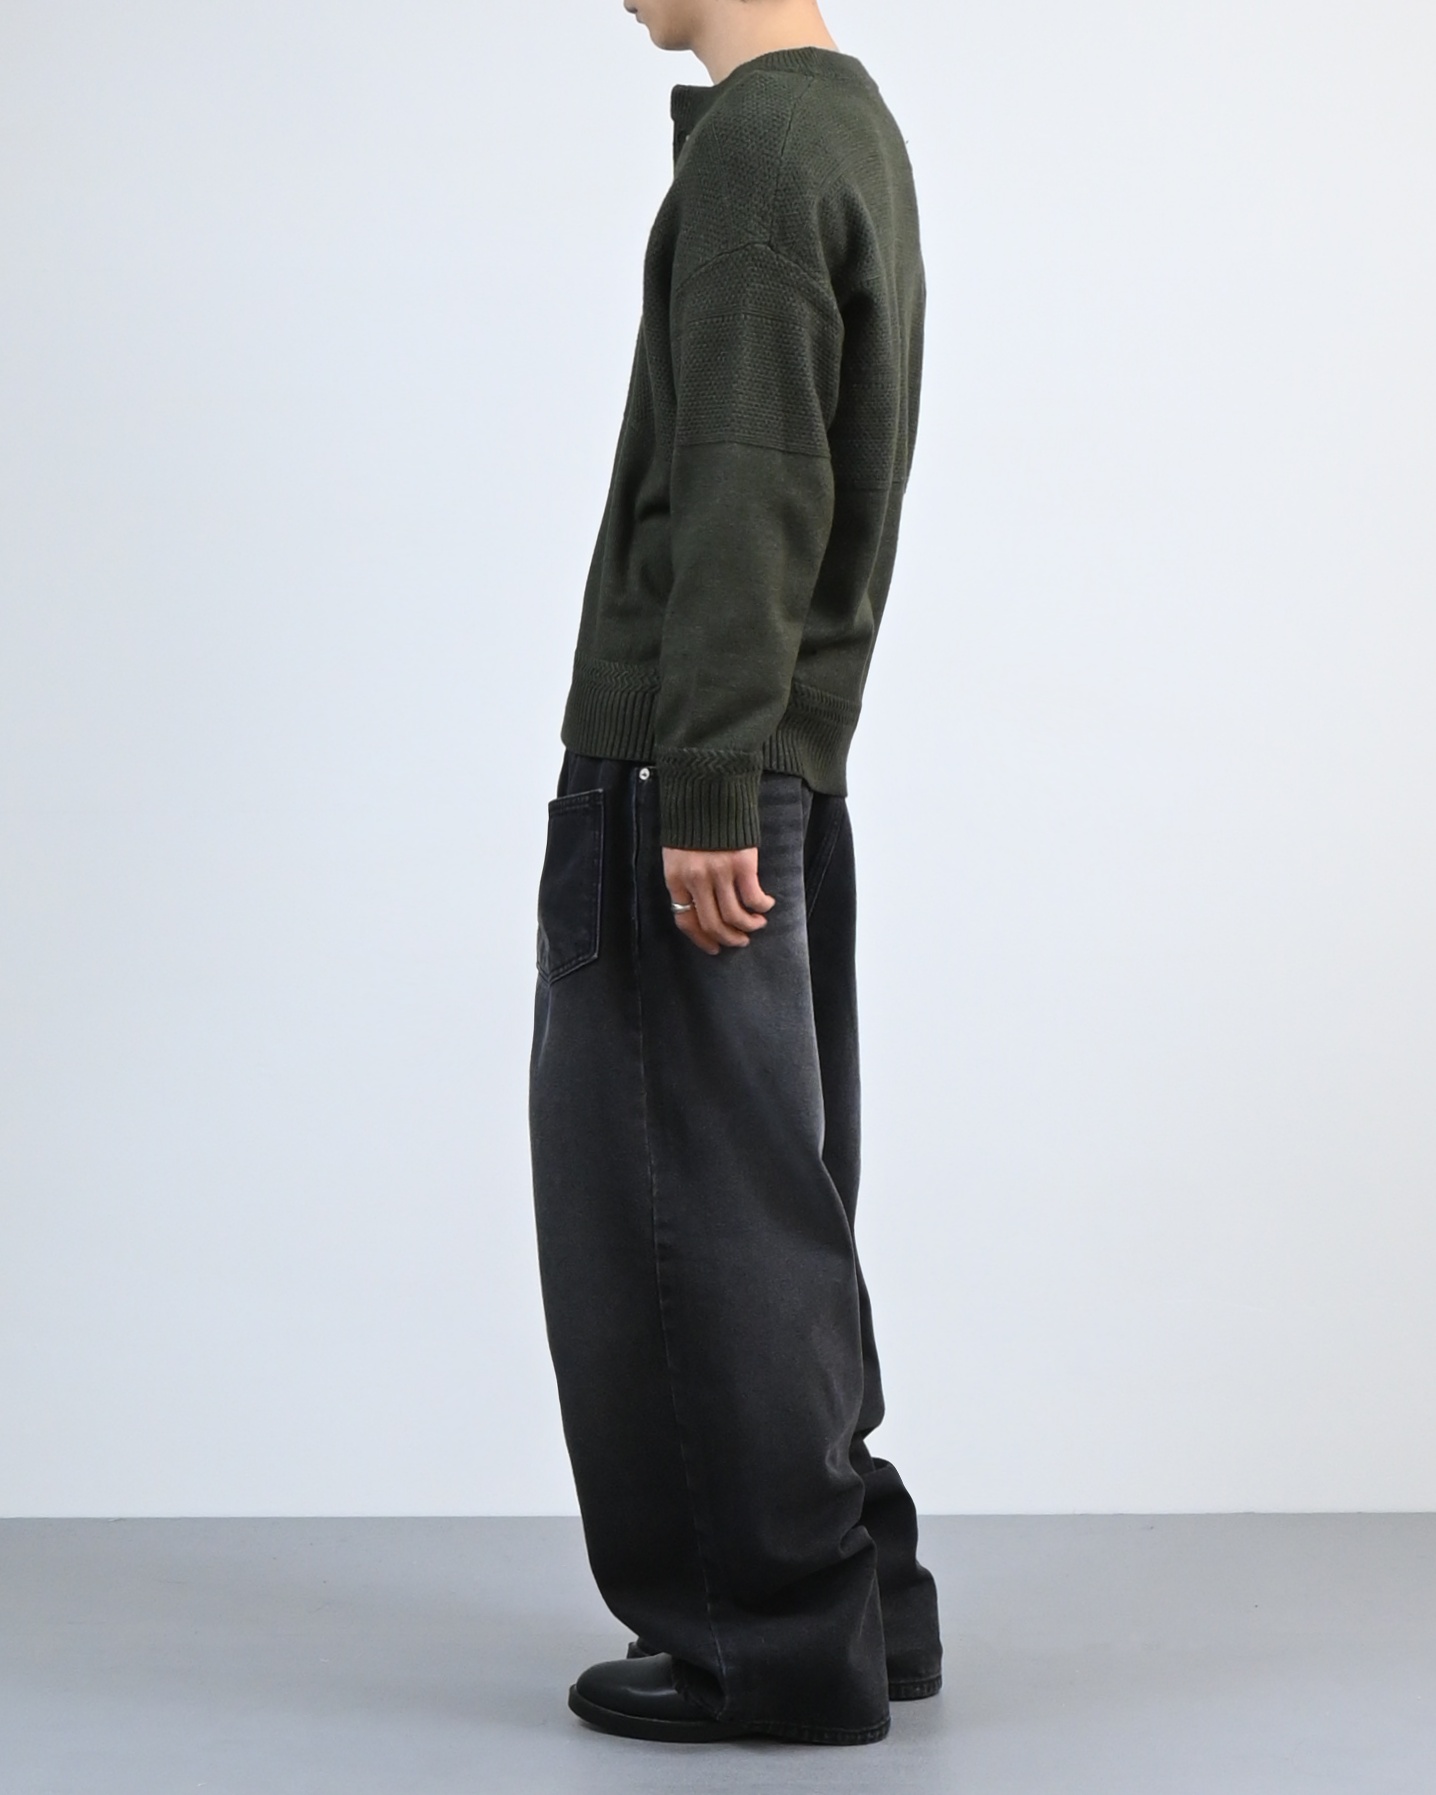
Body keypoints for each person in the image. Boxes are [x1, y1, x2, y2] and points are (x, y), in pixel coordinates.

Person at [528, 0, 939, 1747]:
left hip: (692, 772)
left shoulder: (766, 147)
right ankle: (861, 1600)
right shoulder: (845, 127)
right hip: (775, 761)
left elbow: (751, 486)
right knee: (773, 1202)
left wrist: (697, 781)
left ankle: (763, 1644)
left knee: (670, 1216)